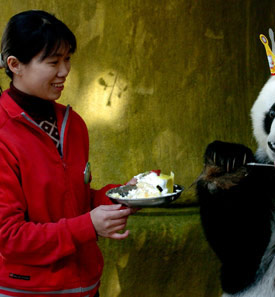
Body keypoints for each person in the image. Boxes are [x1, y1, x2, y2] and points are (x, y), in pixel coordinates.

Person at [0, 10, 138, 297]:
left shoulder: (72, 124)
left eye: (67, 59)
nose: (64, 71)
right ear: (15, 65)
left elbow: (72, 202)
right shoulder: (3, 133)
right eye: (53, 62)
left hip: (86, 288)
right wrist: (88, 226)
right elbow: (9, 237)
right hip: (28, 292)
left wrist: (122, 196)